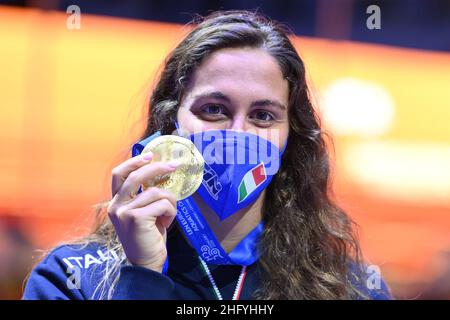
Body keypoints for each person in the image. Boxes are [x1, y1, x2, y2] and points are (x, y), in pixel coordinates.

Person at [23, 10, 392, 300]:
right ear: (171, 124)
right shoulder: (73, 279)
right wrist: (144, 276)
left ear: (290, 137)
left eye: (263, 116)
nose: (237, 133)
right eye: (214, 110)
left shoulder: (351, 289)